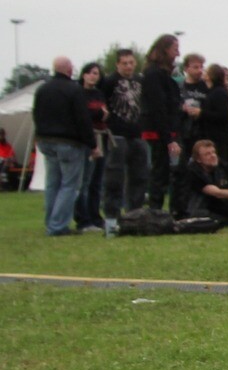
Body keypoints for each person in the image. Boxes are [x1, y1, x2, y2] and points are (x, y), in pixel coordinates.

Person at [31, 57, 93, 237]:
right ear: (69, 69)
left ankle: (50, 221)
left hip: (45, 140)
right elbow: (82, 118)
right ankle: (58, 226)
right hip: (68, 142)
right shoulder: (74, 89)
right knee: (70, 185)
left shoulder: (42, 89)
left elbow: (36, 113)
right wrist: (91, 143)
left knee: (52, 183)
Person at [102, 48, 149, 224]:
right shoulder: (109, 81)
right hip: (116, 134)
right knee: (115, 176)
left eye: (131, 63)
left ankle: (135, 213)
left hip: (137, 133)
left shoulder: (140, 80)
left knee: (140, 175)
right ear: (117, 64)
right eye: (124, 63)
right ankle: (112, 215)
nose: (128, 66)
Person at [171, 137, 228, 224]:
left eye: (213, 152)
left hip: (223, 205)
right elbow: (217, 193)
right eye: (207, 154)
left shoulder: (222, 165)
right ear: (199, 159)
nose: (212, 156)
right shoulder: (193, 172)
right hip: (205, 209)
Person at [138, 35, 182, 210]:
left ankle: (161, 209)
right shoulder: (154, 75)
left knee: (165, 171)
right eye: (175, 49)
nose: (178, 53)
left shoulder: (163, 75)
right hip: (157, 131)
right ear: (165, 50)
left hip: (164, 130)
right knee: (159, 172)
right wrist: (168, 138)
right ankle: (155, 210)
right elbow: (158, 107)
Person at [75, 62, 109, 233]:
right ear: (84, 74)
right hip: (86, 139)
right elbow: (84, 115)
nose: (94, 76)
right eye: (91, 73)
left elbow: (105, 114)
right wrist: (98, 114)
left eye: (97, 73)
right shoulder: (78, 93)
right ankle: (83, 218)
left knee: (97, 181)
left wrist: (102, 115)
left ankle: (95, 216)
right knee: (84, 181)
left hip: (101, 137)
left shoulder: (99, 94)